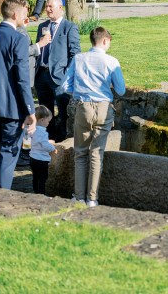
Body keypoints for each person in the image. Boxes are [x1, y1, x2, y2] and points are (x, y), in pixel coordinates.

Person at [61, 27, 126, 207]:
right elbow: (121, 90)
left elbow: (65, 85)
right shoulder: (112, 61)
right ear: (104, 41)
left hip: (84, 107)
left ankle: (79, 197)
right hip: (104, 108)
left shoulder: (78, 58)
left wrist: (80, 92)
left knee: (80, 153)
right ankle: (92, 199)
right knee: (97, 154)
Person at [0, 0, 36, 189]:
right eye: (25, 12)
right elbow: (22, 77)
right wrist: (30, 110)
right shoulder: (18, 39)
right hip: (12, 107)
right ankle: (2, 196)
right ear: (15, 14)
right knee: (8, 154)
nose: (27, 15)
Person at [34, 0, 81, 142]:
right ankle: (46, 139)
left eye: (50, 7)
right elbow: (38, 49)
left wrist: (66, 74)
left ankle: (61, 141)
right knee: (44, 111)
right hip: (41, 74)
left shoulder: (69, 27)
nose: (47, 9)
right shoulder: (43, 26)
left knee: (62, 111)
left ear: (60, 8)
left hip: (59, 77)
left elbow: (75, 53)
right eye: (46, 6)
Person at [16, 18, 51, 167]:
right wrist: (39, 45)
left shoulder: (22, 31)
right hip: (23, 80)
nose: (28, 18)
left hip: (29, 79)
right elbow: (22, 53)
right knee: (27, 119)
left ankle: (25, 151)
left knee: (26, 119)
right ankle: (24, 152)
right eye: (25, 14)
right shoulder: (19, 32)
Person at [29, 105, 57, 195]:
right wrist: (52, 148)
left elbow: (37, 141)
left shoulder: (31, 129)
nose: (48, 123)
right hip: (42, 160)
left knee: (35, 177)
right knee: (42, 178)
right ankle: (41, 194)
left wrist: (47, 141)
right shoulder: (42, 131)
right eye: (48, 121)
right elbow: (44, 145)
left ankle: (35, 191)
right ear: (42, 120)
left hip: (32, 158)